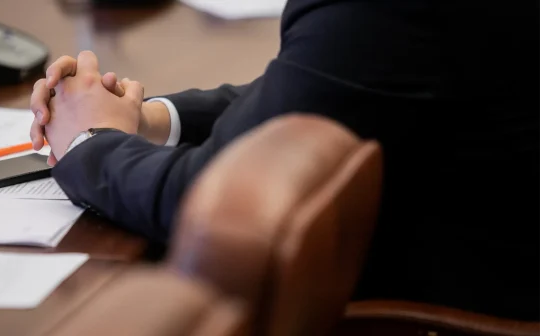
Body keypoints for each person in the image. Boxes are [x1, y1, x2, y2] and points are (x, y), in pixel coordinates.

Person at [30, 0, 539, 321]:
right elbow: (319, 84)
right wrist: (149, 118)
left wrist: (90, 141)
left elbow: (214, 202)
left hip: (459, 304)